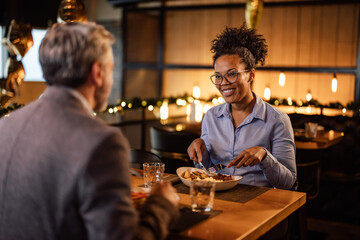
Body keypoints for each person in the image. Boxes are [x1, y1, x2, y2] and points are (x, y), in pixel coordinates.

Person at [0, 22, 179, 240]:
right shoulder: (102, 142)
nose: (111, 80)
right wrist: (162, 204)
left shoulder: (6, 125)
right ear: (97, 72)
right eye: (111, 69)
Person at [187, 24, 296, 190]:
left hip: (258, 202)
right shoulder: (211, 116)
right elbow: (209, 171)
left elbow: (289, 183)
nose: (223, 83)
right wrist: (201, 154)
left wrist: (265, 157)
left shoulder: (278, 120)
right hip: (219, 198)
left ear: (251, 75)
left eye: (232, 74)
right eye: (218, 76)